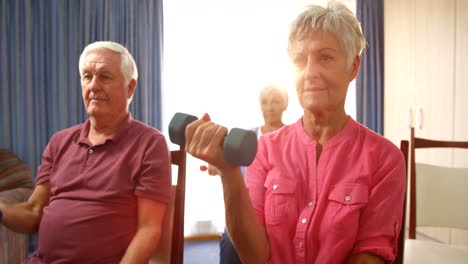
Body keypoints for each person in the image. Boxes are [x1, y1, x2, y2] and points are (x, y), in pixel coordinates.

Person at [184, 1, 406, 263]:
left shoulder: (385, 159)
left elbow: (370, 256)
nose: (310, 72)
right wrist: (229, 173)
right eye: (300, 60)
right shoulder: (265, 149)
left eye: (325, 57)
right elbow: (254, 256)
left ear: (353, 67)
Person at [0, 41, 172, 263]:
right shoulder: (59, 142)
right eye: (87, 76)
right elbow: (33, 212)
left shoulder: (150, 143)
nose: (94, 86)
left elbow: (148, 230)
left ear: (130, 88)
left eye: (105, 77)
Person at [214, 85, 289, 264]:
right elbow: (229, 166)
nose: (270, 107)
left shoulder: (293, 137)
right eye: (265, 102)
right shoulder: (245, 137)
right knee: (230, 242)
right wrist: (216, 166)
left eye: (276, 102)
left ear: (285, 105)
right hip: (246, 205)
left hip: (280, 207)